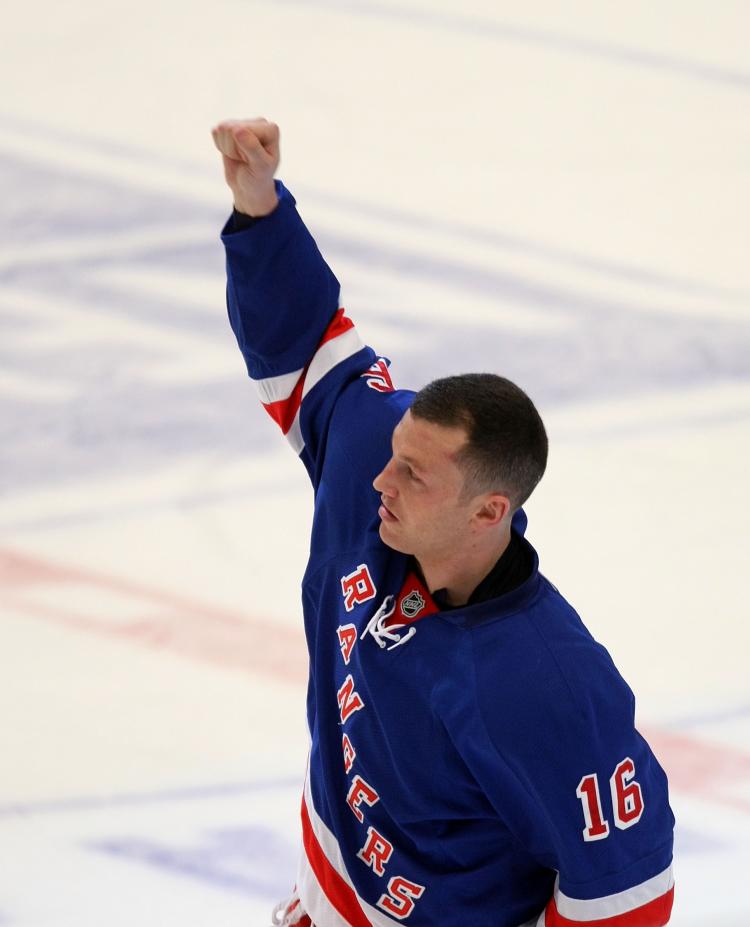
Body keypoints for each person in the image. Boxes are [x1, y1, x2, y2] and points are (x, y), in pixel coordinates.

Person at [212, 118, 675, 927]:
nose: (378, 481)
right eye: (394, 454)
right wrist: (260, 208)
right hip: (327, 891)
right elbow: (311, 343)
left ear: (491, 510)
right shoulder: (375, 462)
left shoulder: (550, 686)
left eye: (415, 475)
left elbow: (627, 896)